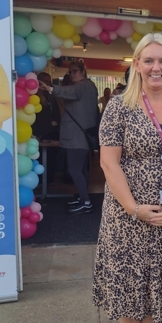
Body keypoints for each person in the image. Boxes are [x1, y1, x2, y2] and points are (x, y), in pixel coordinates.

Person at [92, 33, 162, 323]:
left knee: (157, 294)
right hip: (126, 217)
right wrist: (133, 208)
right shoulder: (118, 107)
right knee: (130, 291)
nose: (156, 68)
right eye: (149, 60)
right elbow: (108, 162)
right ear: (137, 64)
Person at [39, 62, 99, 214]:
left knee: (74, 170)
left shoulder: (82, 86)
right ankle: (83, 197)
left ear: (83, 71)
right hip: (83, 135)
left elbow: (70, 91)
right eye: (70, 72)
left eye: (74, 71)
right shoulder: (90, 86)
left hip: (76, 137)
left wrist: (50, 88)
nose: (72, 74)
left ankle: (85, 201)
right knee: (81, 170)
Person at [32, 72, 63, 184]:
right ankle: (41, 181)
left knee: (52, 157)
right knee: (41, 158)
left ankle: (49, 180)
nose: (48, 83)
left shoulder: (51, 96)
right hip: (42, 132)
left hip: (54, 131)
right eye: (45, 80)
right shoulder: (35, 97)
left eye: (49, 81)